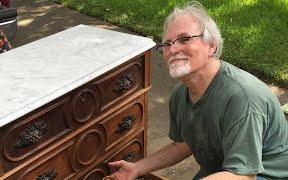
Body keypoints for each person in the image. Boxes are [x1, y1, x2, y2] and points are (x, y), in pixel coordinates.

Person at [107, 1, 288, 180]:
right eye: (167, 44)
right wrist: (137, 168)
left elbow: (244, 175)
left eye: (184, 39)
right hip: (224, 169)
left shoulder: (241, 98)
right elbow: (184, 144)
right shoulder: (180, 94)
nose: (173, 49)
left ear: (212, 46)